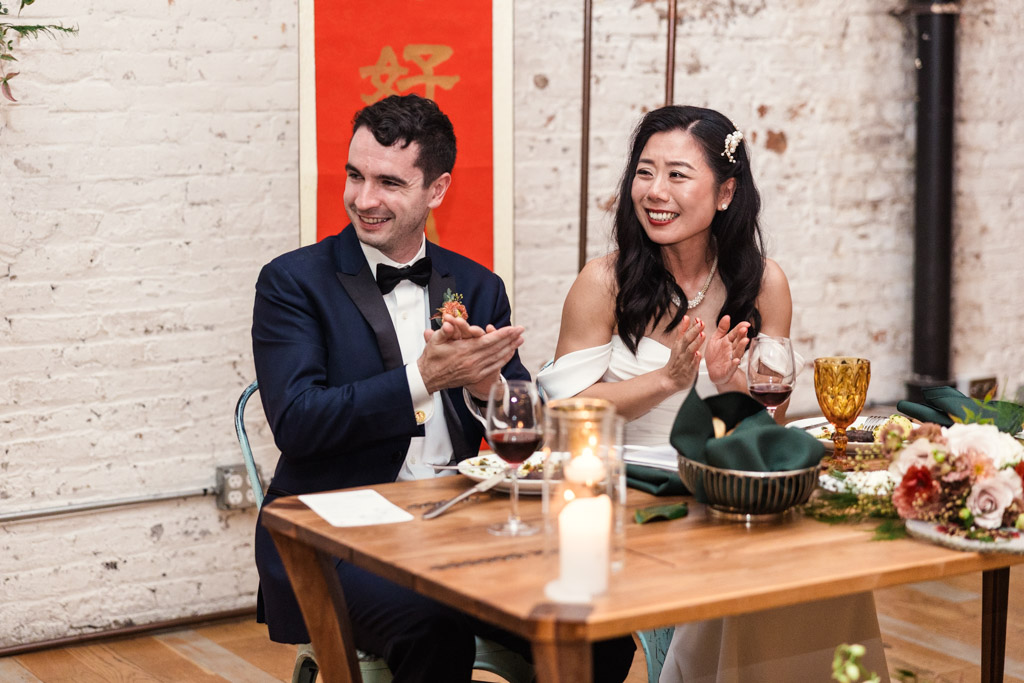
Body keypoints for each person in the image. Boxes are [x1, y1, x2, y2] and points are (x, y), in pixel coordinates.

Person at [251, 94, 635, 683]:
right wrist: (423, 380)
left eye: (388, 182)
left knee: (600, 631)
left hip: (460, 527)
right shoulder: (292, 283)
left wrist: (485, 389)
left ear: (437, 190)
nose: (363, 198)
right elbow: (298, 424)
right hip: (333, 534)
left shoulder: (478, 286)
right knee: (433, 627)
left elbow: (524, 434)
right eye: (354, 175)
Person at [538, 105, 889, 682]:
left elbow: (764, 436)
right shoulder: (603, 282)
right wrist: (667, 381)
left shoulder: (763, 282)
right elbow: (564, 417)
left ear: (725, 192)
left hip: (726, 493)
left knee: (820, 571)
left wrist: (729, 390)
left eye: (677, 174)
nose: (655, 191)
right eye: (644, 172)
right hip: (624, 497)